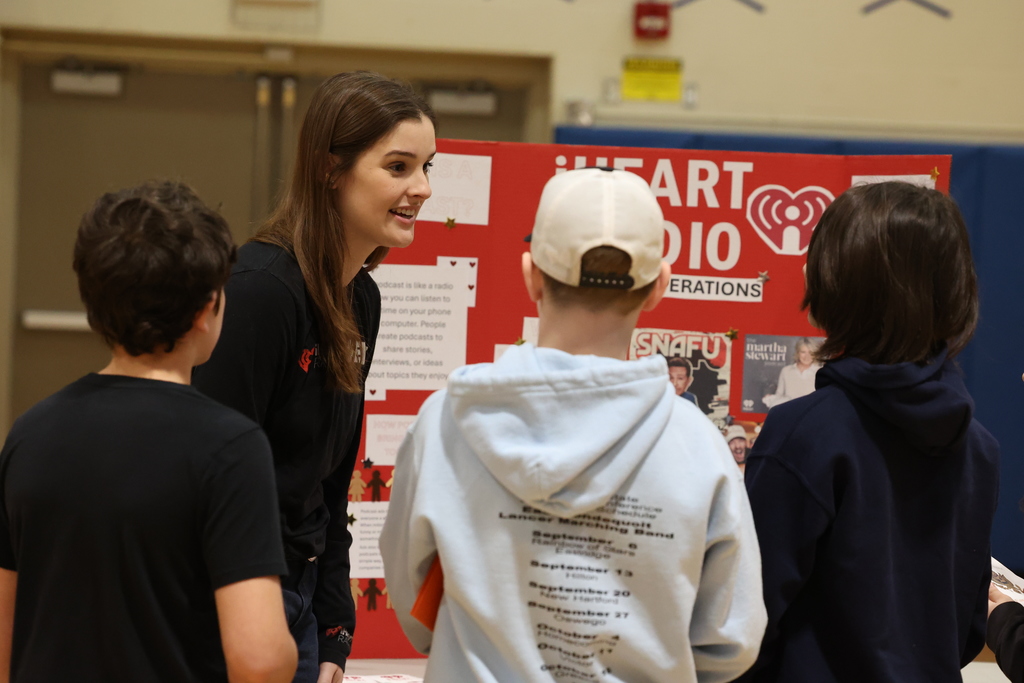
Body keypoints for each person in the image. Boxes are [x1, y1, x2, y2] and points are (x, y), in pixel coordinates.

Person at [380, 167, 766, 682]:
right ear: (659, 288)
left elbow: (413, 603)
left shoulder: (445, 421)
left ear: (531, 275)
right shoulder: (700, 447)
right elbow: (729, 642)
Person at [192, 71, 436, 683]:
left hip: (300, 597)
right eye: (400, 167)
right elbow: (210, 482)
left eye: (428, 167)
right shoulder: (259, 291)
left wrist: (334, 621)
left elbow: (329, 482)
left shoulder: (362, 300)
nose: (423, 189)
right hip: (234, 598)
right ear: (331, 169)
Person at [0, 182, 297, 682]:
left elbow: (6, 631)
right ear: (207, 310)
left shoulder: (30, 433)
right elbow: (260, 658)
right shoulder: (231, 447)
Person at [737, 182, 999, 683]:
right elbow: (965, 629)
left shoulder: (804, 435)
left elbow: (747, 627)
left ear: (838, 286)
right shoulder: (979, 448)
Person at [761, 337, 820, 408]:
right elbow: (779, 395)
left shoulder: (820, 372)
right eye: (803, 352)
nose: (807, 356)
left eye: (811, 352)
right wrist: (771, 398)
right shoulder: (786, 371)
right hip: (789, 412)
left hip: (810, 412)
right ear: (798, 353)